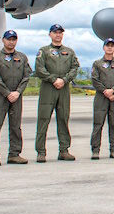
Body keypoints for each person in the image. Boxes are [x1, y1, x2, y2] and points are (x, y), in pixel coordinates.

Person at [34, 23, 80, 162]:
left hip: (64, 88)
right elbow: (39, 69)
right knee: (43, 119)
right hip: (48, 88)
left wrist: (64, 80)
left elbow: (74, 67)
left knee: (63, 118)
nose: (58, 35)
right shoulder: (44, 51)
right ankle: (41, 151)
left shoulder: (69, 52)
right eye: (55, 32)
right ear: (50, 34)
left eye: (60, 32)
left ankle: (64, 150)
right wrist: (53, 79)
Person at [0, 29, 32, 166]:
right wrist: (7, 93)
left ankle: (14, 154)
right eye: (9, 39)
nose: (11, 42)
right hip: (1, 96)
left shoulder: (22, 57)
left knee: (15, 126)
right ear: (3, 40)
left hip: (17, 97)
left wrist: (18, 92)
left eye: (14, 39)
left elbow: (26, 76)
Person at [90, 38, 114, 160]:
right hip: (101, 97)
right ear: (103, 48)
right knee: (98, 124)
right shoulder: (97, 64)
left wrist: (113, 90)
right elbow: (95, 79)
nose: (110, 48)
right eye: (107, 46)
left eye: (112, 46)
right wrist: (105, 91)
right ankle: (95, 150)